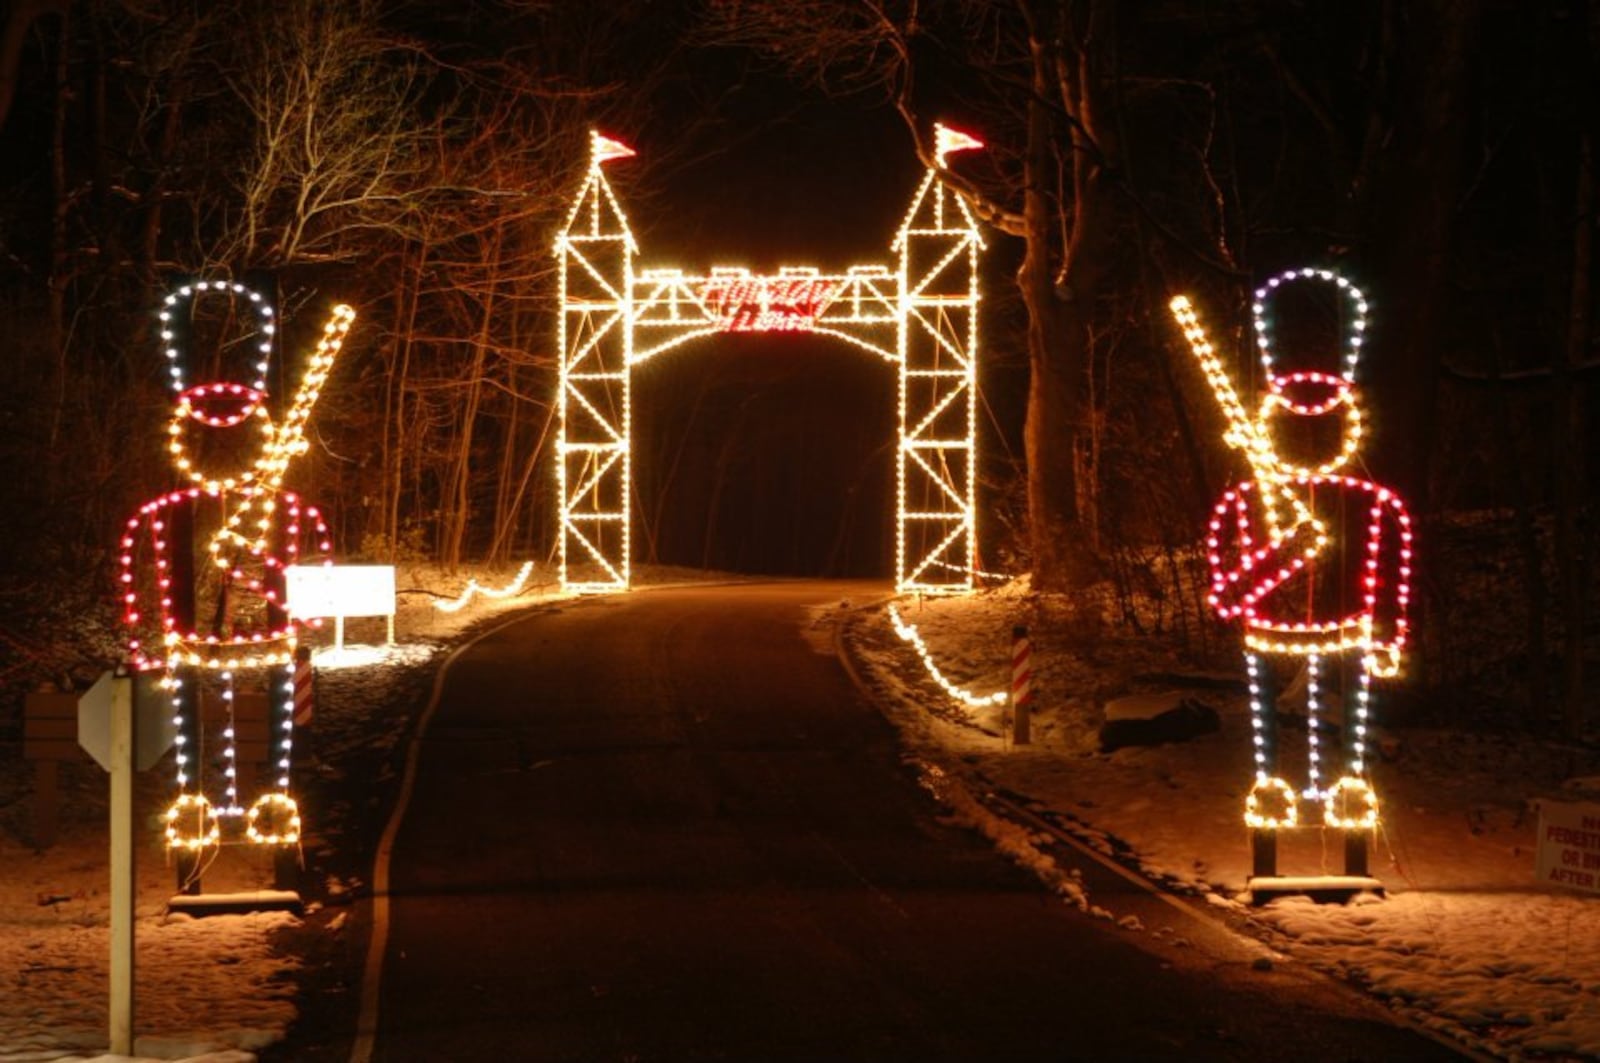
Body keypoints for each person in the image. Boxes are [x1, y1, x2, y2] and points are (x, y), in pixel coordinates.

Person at [1171, 268, 1413, 876]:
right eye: (1295, 424)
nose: (1308, 436)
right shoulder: (1244, 502)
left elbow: (1389, 572)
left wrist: (1389, 637)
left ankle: (1351, 790)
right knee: (1271, 724)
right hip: (1270, 635)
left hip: (1348, 633)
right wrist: (1284, 556)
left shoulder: (1374, 503)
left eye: (1323, 423)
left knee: (1348, 724)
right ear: (1270, 425)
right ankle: (1272, 791)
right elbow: (1226, 597)